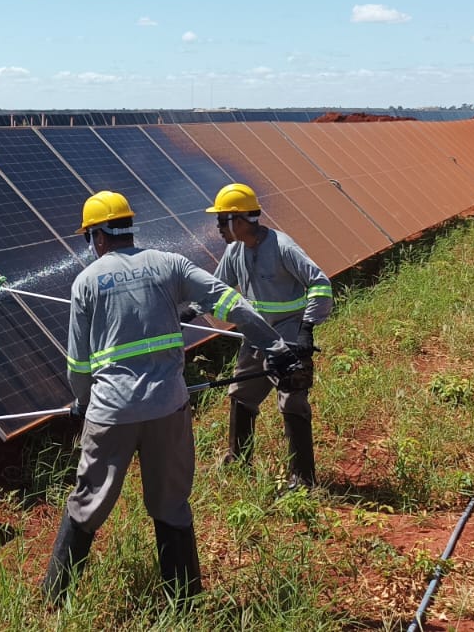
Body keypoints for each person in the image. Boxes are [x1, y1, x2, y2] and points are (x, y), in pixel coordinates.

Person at [43, 191, 303, 608]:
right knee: (170, 504)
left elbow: (78, 365)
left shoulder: (86, 282)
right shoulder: (170, 264)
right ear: (128, 229)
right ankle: (184, 600)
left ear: (97, 237)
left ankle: (55, 598)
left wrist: (83, 401)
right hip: (168, 407)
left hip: (112, 413)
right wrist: (275, 347)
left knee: (88, 502)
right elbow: (231, 303)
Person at [205, 182, 334, 487]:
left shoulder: (282, 246)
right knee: (241, 396)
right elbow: (217, 288)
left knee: (292, 399)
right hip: (255, 335)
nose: (218, 228)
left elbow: (320, 283)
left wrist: (306, 330)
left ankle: (302, 479)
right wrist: (188, 309)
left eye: (222, 220)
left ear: (239, 221)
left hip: (288, 334)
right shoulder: (235, 250)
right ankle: (239, 461)